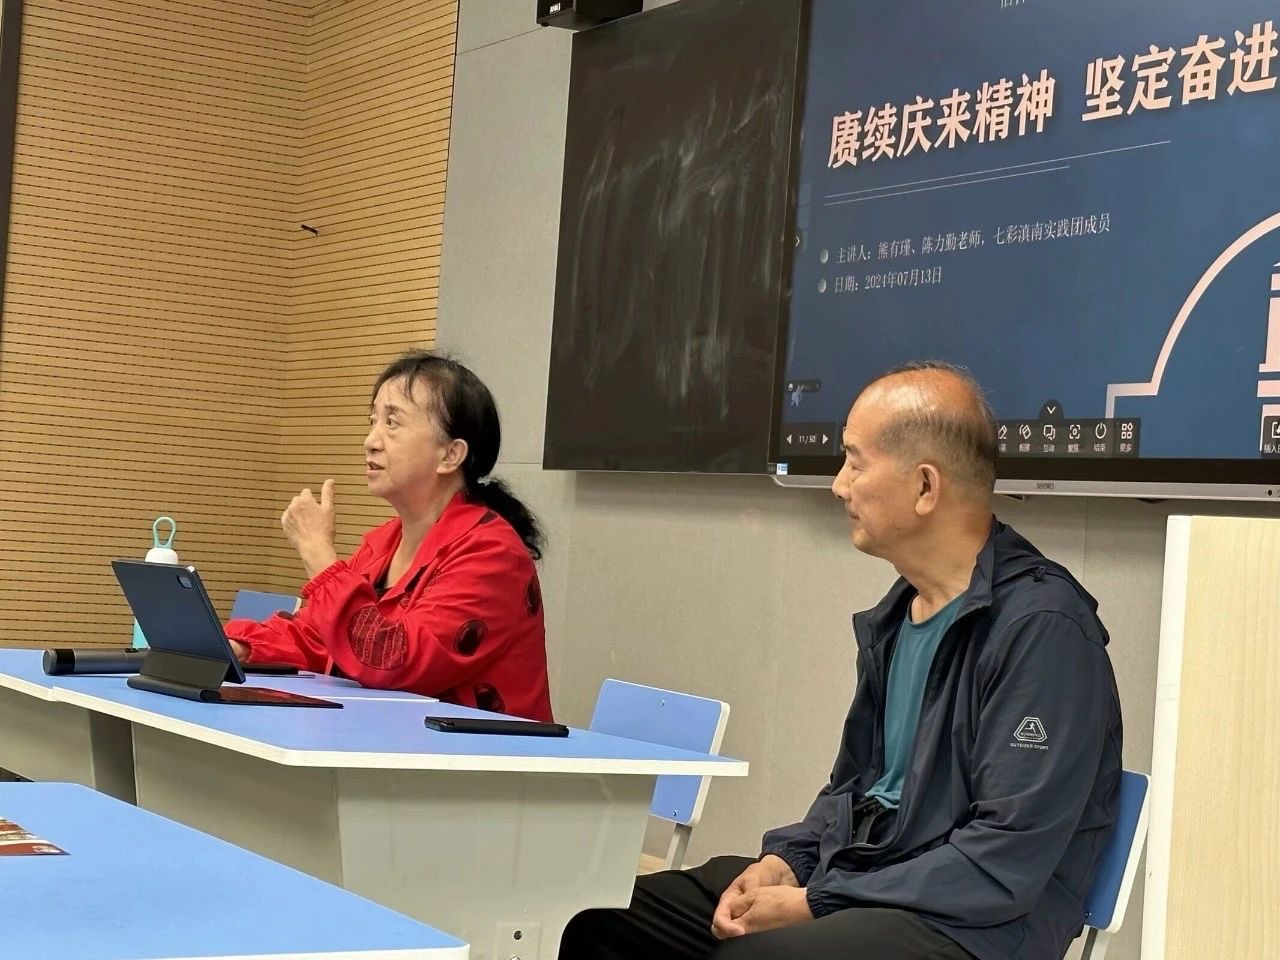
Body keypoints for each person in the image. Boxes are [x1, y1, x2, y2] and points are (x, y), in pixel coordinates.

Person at [559, 362, 1122, 960]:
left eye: (855, 462)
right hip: (869, 879)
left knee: (752, 955)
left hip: (976, 929)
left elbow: (1001, 863)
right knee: (601, 919)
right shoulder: (899, 614)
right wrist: (786, 862)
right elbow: (853, 790)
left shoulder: (1045, 631)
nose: (838, 485)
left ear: (925, 487)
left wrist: (815, 902)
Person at [225, 351, 554, 722]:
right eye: (373, 421)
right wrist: (240, 645)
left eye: (392, 423)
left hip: (475, 753)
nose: (370, 441)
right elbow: (320, 637)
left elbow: (391, 660)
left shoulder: (492, 554)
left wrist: (318, 551)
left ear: (450, 455)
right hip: (389, 740)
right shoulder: (383, 543)